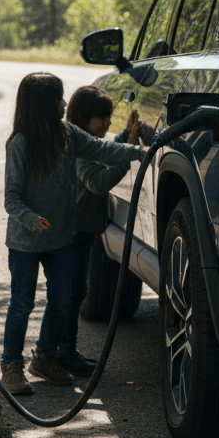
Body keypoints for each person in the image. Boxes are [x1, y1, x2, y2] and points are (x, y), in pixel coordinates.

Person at [0, 72, 144, 396]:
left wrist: (134, 151)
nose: (64, 105)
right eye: (58, 99)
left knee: (63, 299)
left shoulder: (68, 135)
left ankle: (45, 357)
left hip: (61, 239)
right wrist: (31, 218)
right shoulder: (21, 144)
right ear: (41, 106)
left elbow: (103, 150)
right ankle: (11, 365)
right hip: (26, 241)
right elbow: (11, 197)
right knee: (21, 303)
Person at [65, 85, 142, 367]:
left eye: (110, 117)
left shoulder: (87, 141)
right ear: (84, 118)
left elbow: (109, 150)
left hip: (85, 230)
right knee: (72, 294)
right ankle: (62, 353)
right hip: (75, 233)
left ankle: (65, 352)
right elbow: (98, 182)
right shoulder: (79, 149)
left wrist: (126, 136)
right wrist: (131, 152)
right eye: (103, 118)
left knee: (75, 293)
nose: (108, 123)